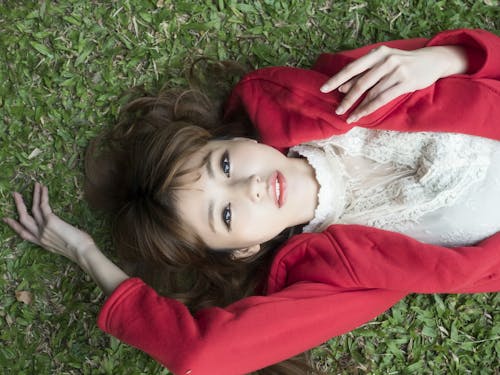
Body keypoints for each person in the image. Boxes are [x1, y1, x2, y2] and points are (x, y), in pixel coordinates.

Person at [3, 28, 500, 375]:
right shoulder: (338, 273)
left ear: (231, 140)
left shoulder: (325, 96)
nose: (249, 188)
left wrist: (441, 59)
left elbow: (486, 61)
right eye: (225, 214)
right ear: (242, 249)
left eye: (222, 166)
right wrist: (87, 254)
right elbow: (203, 353)